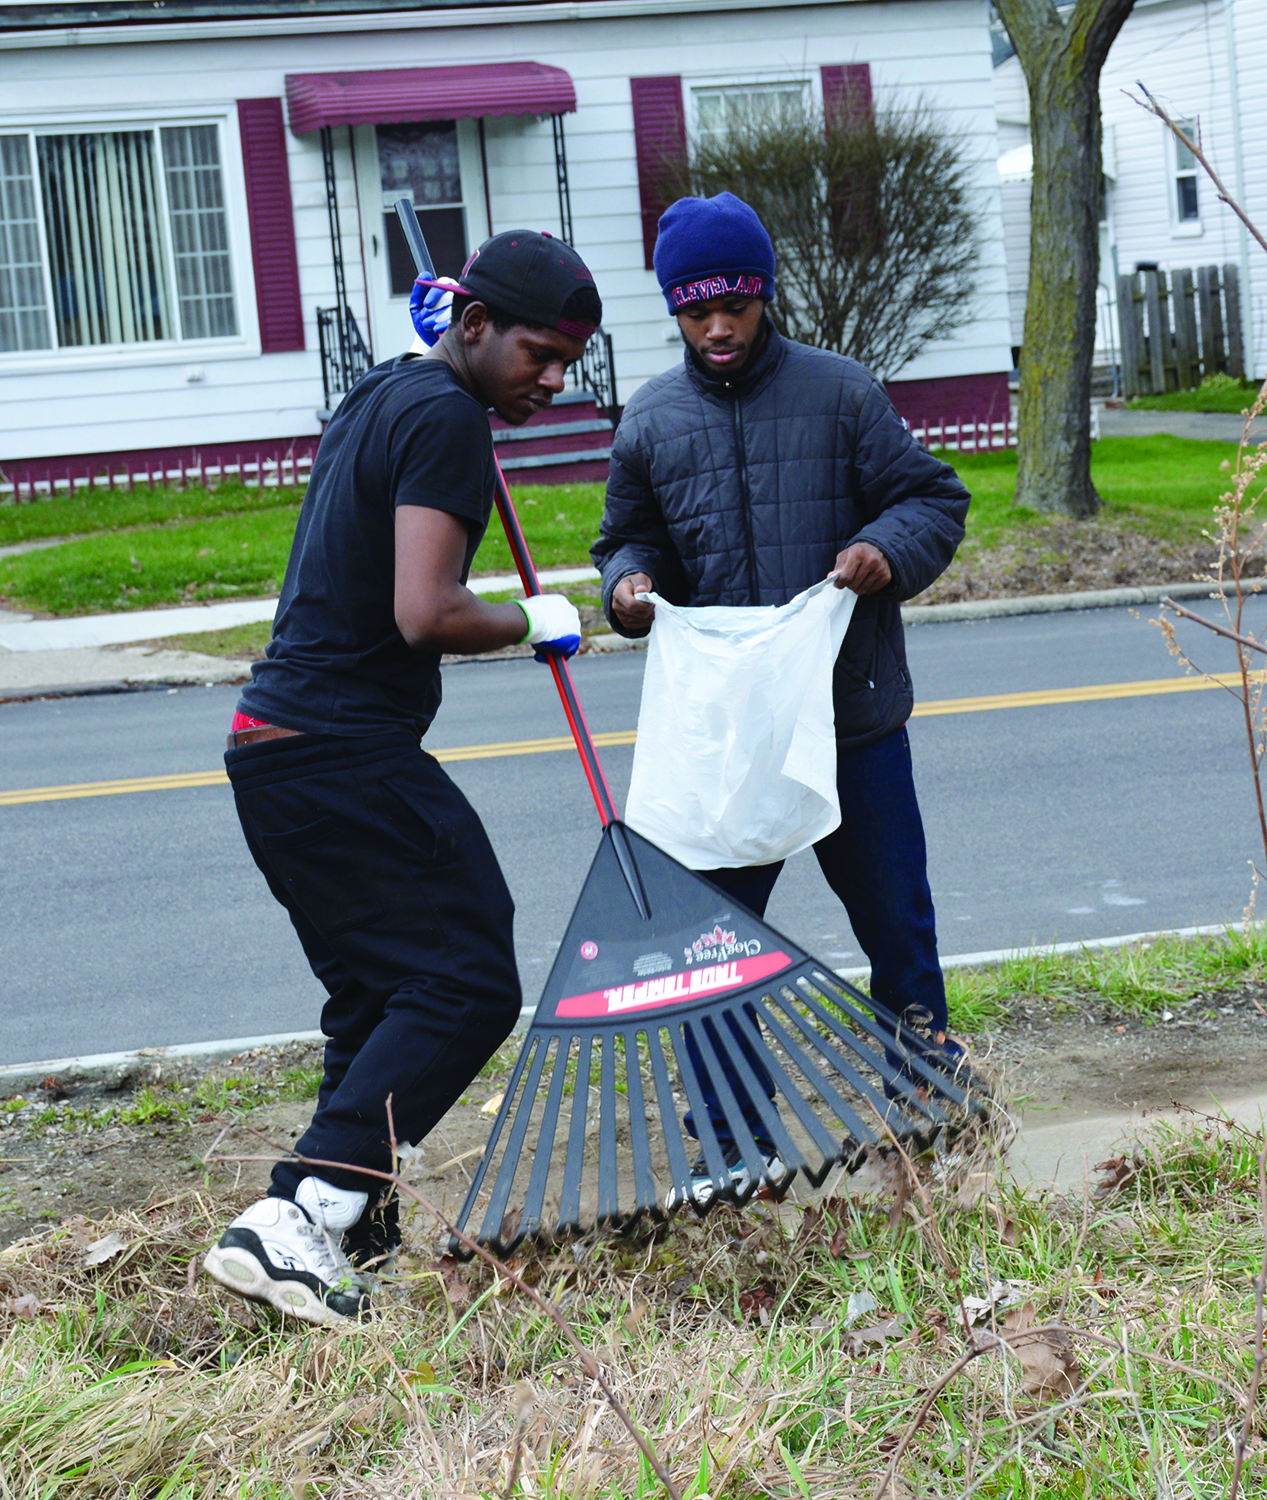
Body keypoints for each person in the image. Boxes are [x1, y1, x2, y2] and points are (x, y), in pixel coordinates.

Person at [203, 230, 601, 1325]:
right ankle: (299, 1214)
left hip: (274, 749)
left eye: (568, 361)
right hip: (342, 750)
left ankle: (348, 1250)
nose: (553, 379)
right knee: (468, 981)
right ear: (472, 323)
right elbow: (425, 611)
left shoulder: (386, 391)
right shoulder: (445, 416)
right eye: (538, 352)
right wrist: (532, 618)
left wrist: (460, 356)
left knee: (381, 998)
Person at [591, 192, 971, 1207]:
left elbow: (933, 498)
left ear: (765, 295)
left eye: (737, 305)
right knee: (709, 947)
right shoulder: (650, 420)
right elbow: (626, 537)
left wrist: (883, 549)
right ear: (673, 309)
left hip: (852, 723)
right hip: (729, 739)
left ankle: (924, 1108)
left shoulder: (841, 393)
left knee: (897, 927)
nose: (718, 327)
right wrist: (626, 588)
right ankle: (733, 1146)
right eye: (696, 310)